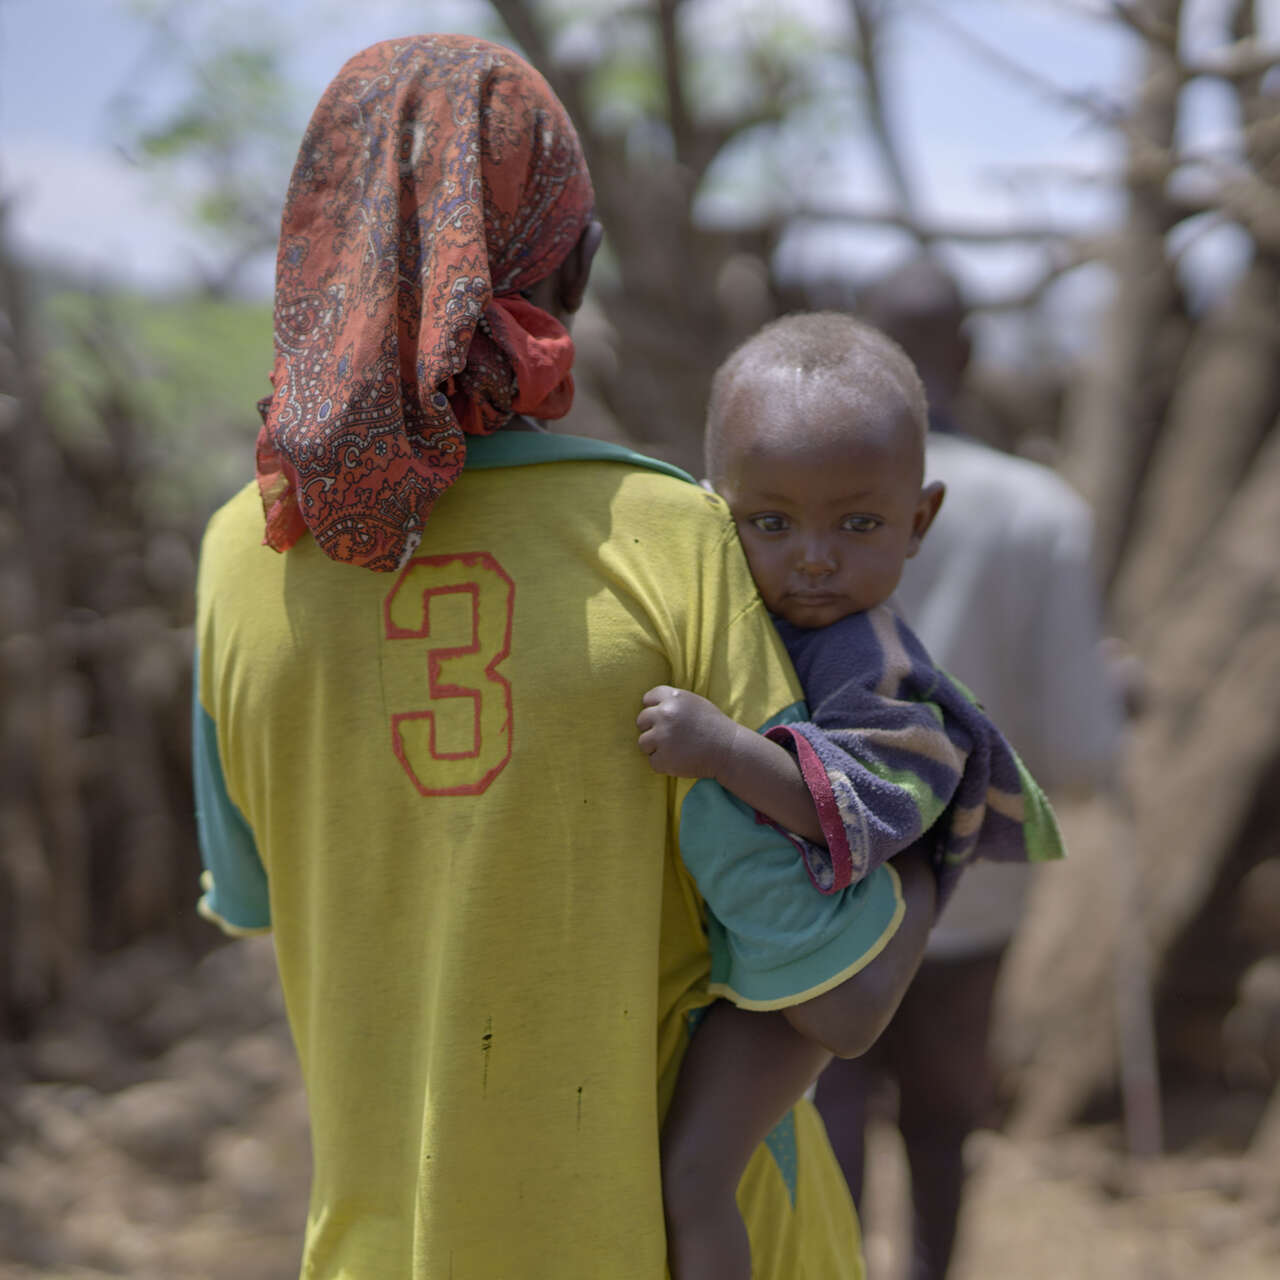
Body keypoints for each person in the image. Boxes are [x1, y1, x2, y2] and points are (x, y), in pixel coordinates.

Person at [191, 35, 937, 1279]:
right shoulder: (673, 540)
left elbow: (266, 895)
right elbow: (828, 989)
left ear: (322, 252)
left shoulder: (238, 555)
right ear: (570, 264)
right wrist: (935, 842)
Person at [636, 311, 1064, 1280]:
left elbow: (858, 815)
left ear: (919, 520)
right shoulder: (745, 617)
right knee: (698, 1169)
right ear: (712, 510)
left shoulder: (880, 667)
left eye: (857, 524)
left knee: (697, 1176)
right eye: (771, 523)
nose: (814, 556)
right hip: (758, 946)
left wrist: (723, 749)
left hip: (820, 957)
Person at [812, 258, 1125, 1280]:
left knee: (831, 1091)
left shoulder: (791, 500)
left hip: (821, 865)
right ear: (970, 351)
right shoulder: (1036, 511)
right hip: (968, 882)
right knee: (943, 1114)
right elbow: (1079, 748)